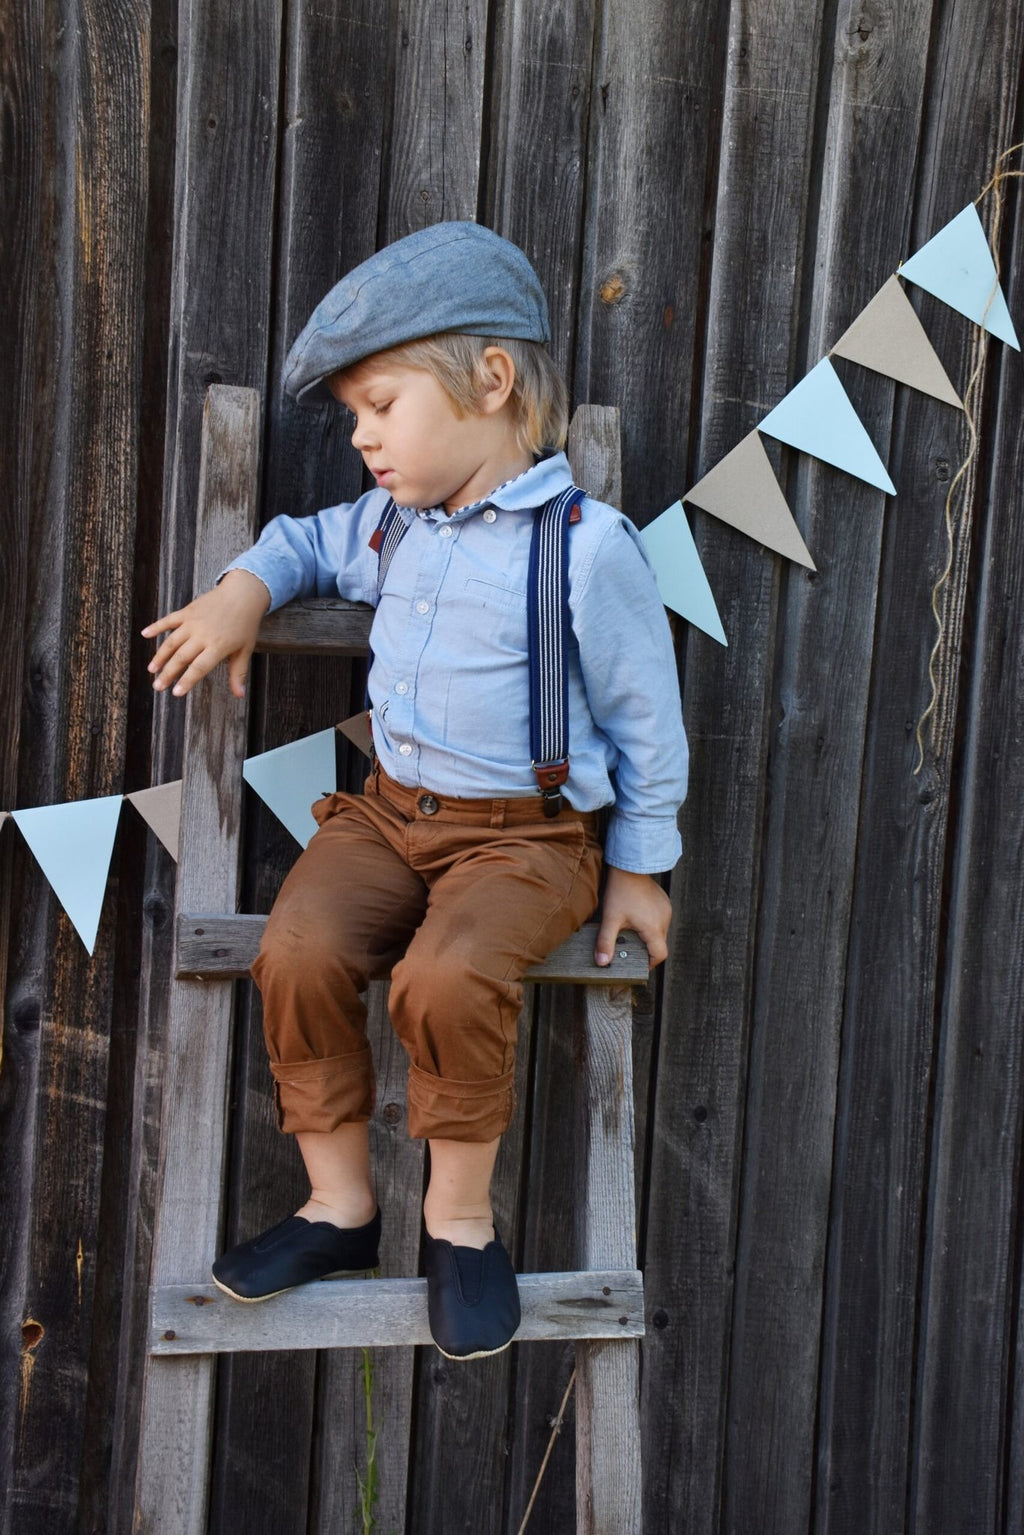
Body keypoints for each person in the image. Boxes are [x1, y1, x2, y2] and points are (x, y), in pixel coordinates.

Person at [142, 221, 688, 1360]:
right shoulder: (390, 525)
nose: (361, 439)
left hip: (525, 841)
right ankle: (339, 1203)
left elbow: (647, 717)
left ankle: (459, 1221)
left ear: (490, 383)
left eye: (381, 405)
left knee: (443, 978)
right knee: (293, 948)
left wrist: (638, 864)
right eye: (354, 416)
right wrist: (247, 587)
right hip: (388, 816)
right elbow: (298, 540)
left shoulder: (586, 549)